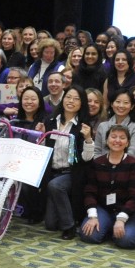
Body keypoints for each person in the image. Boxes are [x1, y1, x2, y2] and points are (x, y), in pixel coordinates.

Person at [78, 125, 135, 249]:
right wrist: (93, 216)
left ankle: (116, 227)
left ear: (127, 143)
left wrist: (121, 219)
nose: (117, 141)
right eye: (113, 136)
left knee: (125, 241)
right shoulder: (97, 162)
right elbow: (90, 191)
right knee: (89, 235)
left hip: (132, 212)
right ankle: (109, 227)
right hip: (105, 209)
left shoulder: (134, 164)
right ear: (106, 140)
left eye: (122, 138)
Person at [39, 85, 95, 238]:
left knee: (55, 186)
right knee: (50, 225)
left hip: (72, 173)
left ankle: (69, 226)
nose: (71, 101)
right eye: (69, 97)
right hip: (53, 171)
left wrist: (88, 139)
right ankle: (68, 215)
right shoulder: (50, 121)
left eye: (76, 99)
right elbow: (44, 149)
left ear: (81, 103)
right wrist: (40, 135)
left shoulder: (83, 126)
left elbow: (86, 158)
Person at [93, 89, 135, 157]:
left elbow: (132, 153)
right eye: (118, 102)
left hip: (126, 166)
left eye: (126, 102)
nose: (121, 106)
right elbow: (97, 152)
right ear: (111, 104)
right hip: (102, 166)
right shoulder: (102, 126)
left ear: (132, 106)